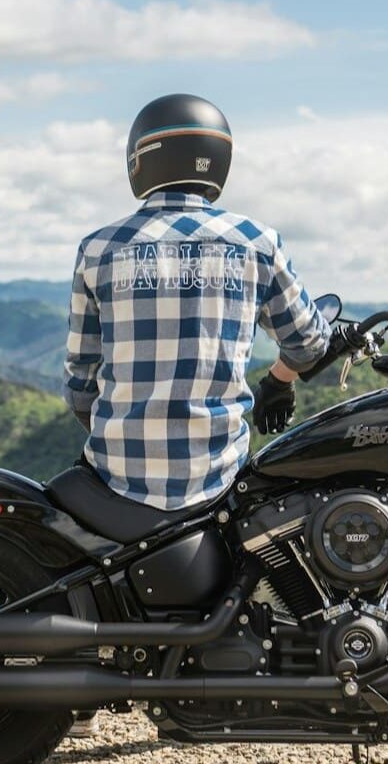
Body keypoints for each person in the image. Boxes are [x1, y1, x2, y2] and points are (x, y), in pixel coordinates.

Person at [62, 94, 358, 510]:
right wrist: (278, 381)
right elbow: (309, 344)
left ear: (141, 158)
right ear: (218, 158)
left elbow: (81, 381)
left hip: (116, 480)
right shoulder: (258, 242)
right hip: (220, 482)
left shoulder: (99, 249)